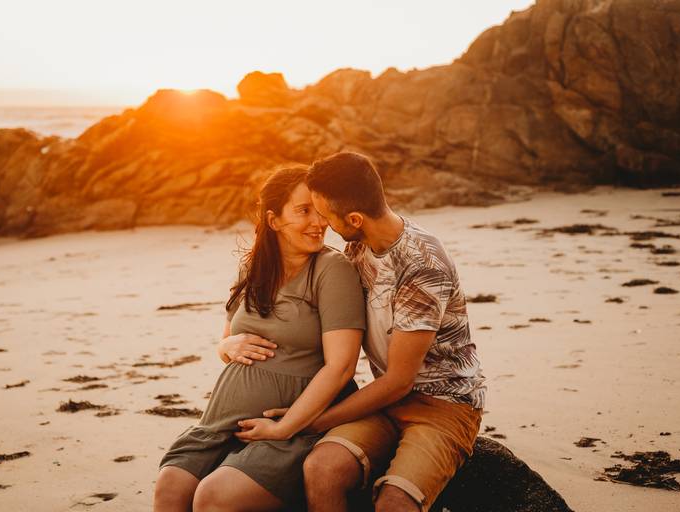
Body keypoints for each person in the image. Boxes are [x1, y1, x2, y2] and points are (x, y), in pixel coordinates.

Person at [251, 152, 486, 512]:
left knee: (394, 502)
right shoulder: (359, 246)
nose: (324, 225)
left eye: (327, 216)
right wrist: (232, 339)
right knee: (321, 469)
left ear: (355, 218)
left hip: (443, 406)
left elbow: (399, 381)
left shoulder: (423, 265)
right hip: (385, 403)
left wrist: (309, 422)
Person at [153, 165, 366, 512]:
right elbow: (228, 340)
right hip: (222, 421)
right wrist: (225, 346)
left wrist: (284, 429)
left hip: (292, 424)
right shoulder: (253, 268)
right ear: (274, 220)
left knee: (214, 498)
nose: (319, 222)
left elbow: (341, 367)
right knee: (171, 487)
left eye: (321, 211)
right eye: (303, 211)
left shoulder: (332, 270)